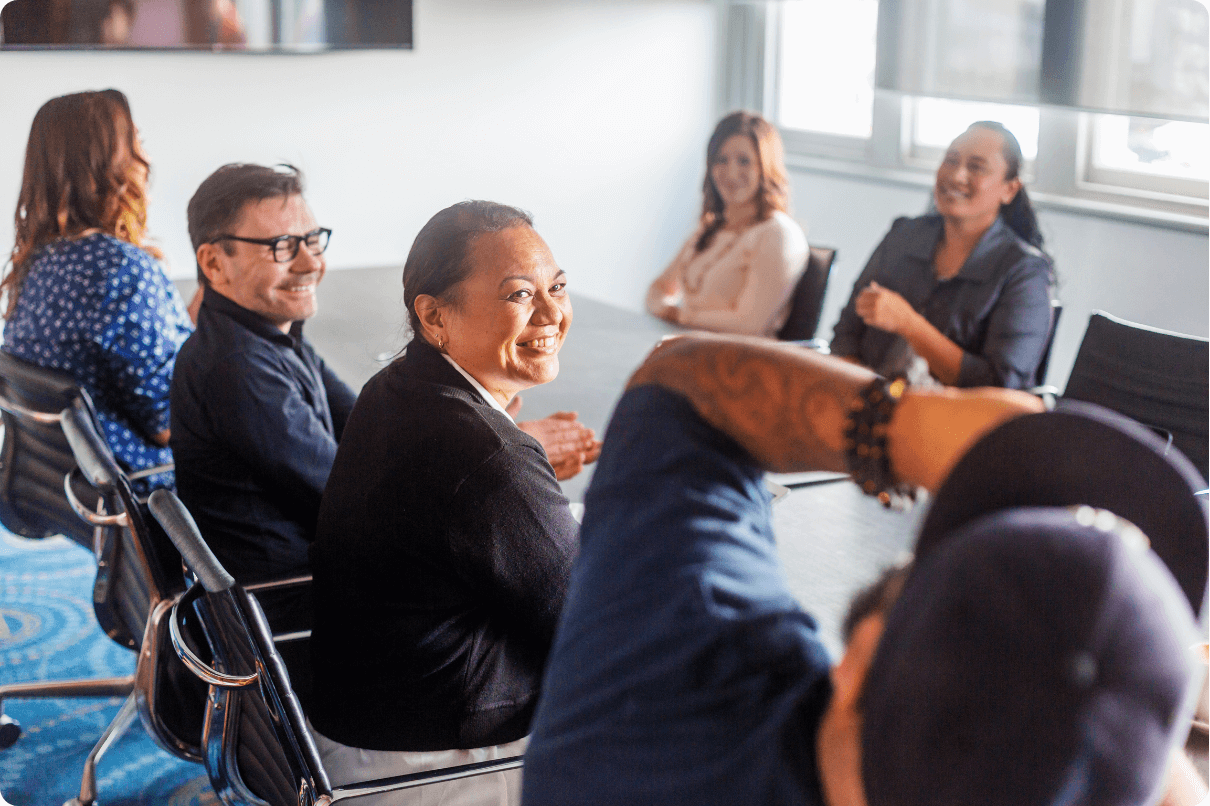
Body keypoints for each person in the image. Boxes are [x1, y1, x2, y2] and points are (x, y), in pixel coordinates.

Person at [522, 333, 1207, 806]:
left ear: (862, 661)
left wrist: (903, 426)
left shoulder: (640, 712)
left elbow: (679, 390)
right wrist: (1136, 695)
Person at [308, 201, 597, 805]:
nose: (552, 313)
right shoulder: (489, 458)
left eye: (558, 287)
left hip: (355, 729)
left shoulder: (394, 387)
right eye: (520, 295)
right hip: (427, 766)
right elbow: (592, 628)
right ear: (435, 317)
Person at [1, 89, 192, 491]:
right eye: (136, 142)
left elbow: (125, 355)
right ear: (108, 163)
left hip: (72, 485)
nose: (147, 159)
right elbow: (168, 425)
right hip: (147, 489)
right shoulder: (120, 270)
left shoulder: (38, 261)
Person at [830, 121, 1055, 389]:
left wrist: (910, 324)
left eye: (976, 167)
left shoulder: (1025, 271)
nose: (957, 176)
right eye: (950, 161)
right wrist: (859, 392)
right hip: (868, 406)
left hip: (950, 422)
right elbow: (846, 333)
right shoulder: (903, 235)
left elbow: (1000, 384)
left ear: (1009, 189)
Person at [647, 111, 808, 337]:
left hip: (737, 362)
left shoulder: (777, 233)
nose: (731, 173)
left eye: (744, 161)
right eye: (721, 160)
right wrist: (668, 308)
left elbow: (749, 325)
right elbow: (656, 291)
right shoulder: (710, 229)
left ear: (765, 168)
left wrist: (678, 315)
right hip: (690, 349)